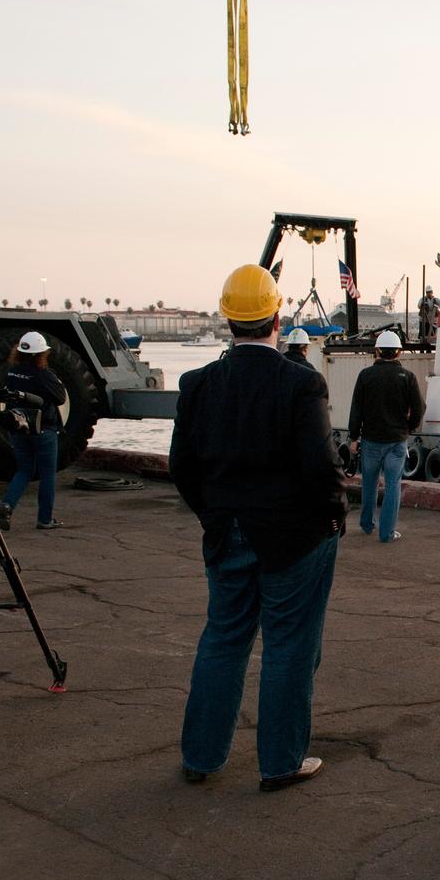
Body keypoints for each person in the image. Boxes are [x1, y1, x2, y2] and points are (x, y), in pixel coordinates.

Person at [171, 263, 347, 792]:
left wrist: (213, 514)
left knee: (223, 640)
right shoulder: (301, 382)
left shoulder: (198, 384)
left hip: (226, 533)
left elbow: (182, 467)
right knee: (290, 647)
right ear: (276, 314)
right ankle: (281, 762)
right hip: (294, 539)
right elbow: (320, 465)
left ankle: (201, 757)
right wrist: (335, 511)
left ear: (228, 320)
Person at [348, 330, 424, 542]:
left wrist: (354, 438)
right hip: (396, 441)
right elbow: (419, 408)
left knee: (369, 484)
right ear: (398, 352)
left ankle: (366, 524)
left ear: (377, 351)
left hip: (371, 440)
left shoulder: (365, 376)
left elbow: (357, 410)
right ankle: (387, 533)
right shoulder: (407, 377)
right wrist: (408, 428)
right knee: (393, 486)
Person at [0, 331, 67, 532]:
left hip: (18, 429)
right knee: (47, 475)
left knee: (24, 470)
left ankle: (8, 504)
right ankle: (45, 519)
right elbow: (61, 398)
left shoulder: (11, 373)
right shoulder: (44, 375)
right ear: (41, 354)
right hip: (44, 430)